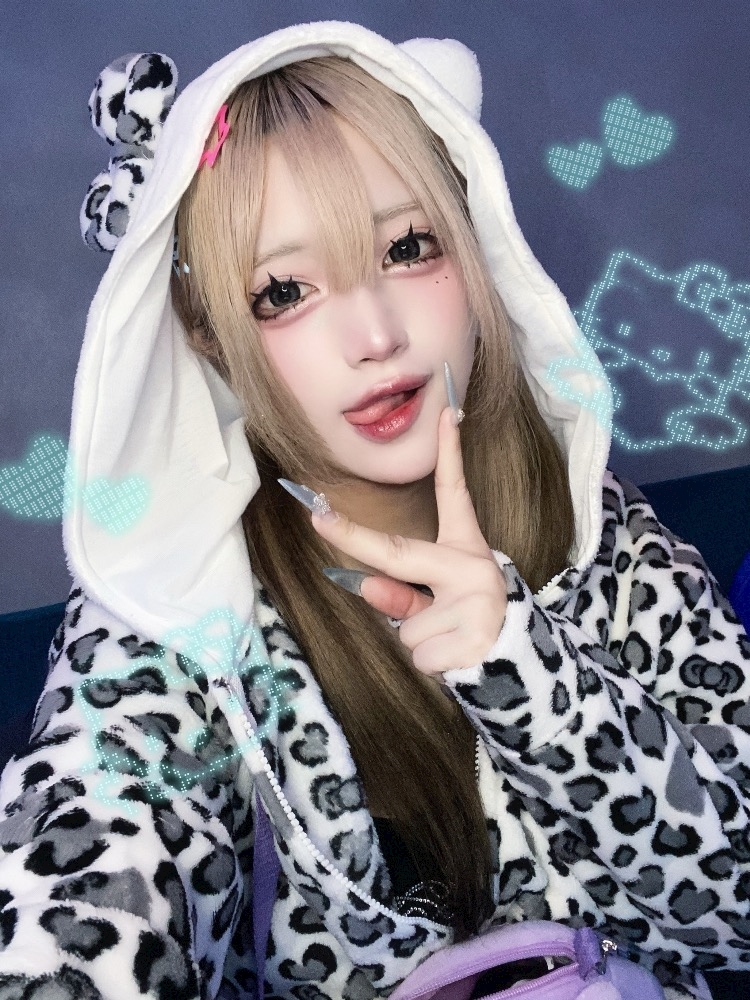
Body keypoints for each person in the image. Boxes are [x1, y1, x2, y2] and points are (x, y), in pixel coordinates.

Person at [0, 20, 749, 1000]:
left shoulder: (603, 535)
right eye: (283, 290)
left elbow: (737, 911)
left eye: (407, 246)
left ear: (474, 251)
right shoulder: (174, 615)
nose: (374, 334)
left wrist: (527, 672)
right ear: (212, 337)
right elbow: (88, 856)